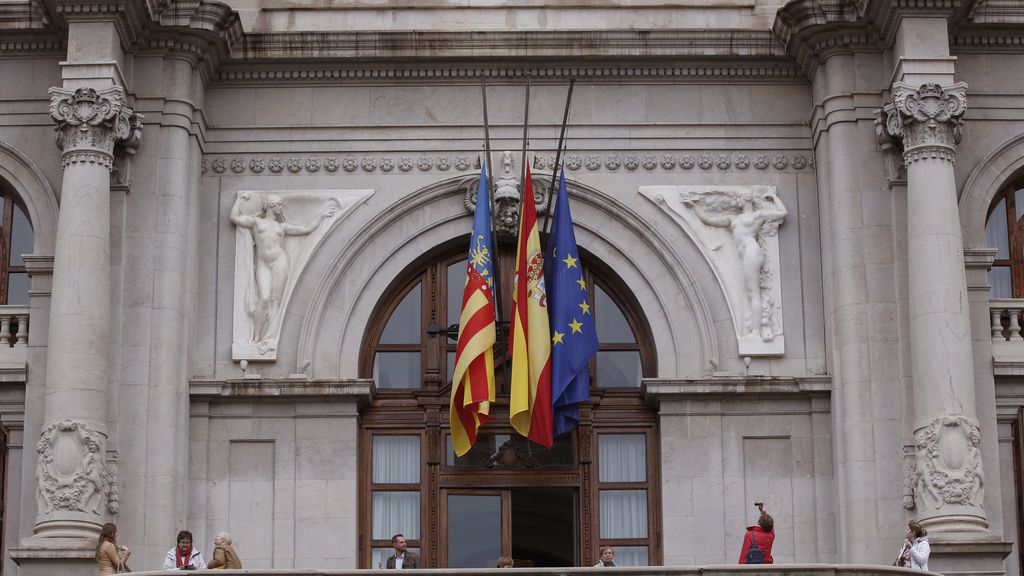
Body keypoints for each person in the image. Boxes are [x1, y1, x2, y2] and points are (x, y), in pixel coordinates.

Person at [231, 191, 338, 351]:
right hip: (263, 264)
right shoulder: (257, 223)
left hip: (280, 262)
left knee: (275, 301)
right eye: (278, 204)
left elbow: (307, 229)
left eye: (280, 204)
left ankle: (268, 338)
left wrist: (322, 216)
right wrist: (239, 200)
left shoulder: (282, 227)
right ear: (271, 205)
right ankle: (256, 338)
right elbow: (234, 218)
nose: (281, 207)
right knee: (264, 298)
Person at [682, 189, 787, 341]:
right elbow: (708, 220)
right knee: (751, 293)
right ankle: (756, 331)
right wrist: (693, 206)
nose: (736, 200)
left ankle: (756, 333)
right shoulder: (733, 219)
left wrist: (774, 198)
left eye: (739, 198)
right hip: (745, 255)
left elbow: (783, 213)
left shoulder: (757, 215)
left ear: (746, 199)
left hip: (752, 252)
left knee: (753, 292)